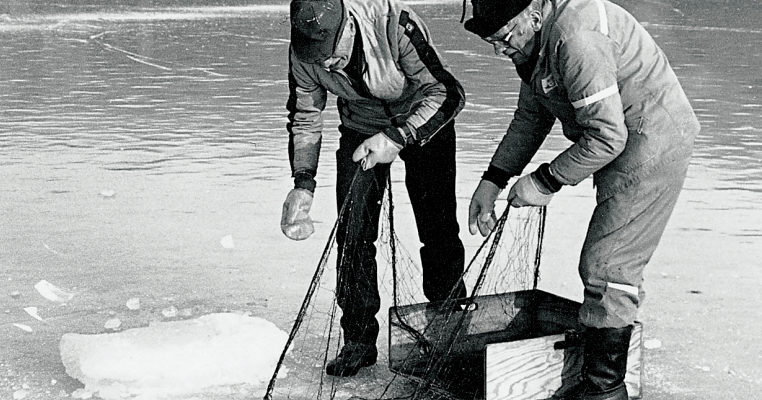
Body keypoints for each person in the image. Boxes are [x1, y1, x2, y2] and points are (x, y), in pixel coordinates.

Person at [462, 0, 699, 398]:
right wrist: (493, 179)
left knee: (606, 266)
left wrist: (544, 181)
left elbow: (608, 136)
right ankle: (597, 380)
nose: (499, 50)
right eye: (491, 43)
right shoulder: (534, 44)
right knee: (603, 264)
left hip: (652, 141)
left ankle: (604, 391)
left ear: (533, 18)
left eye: (503, 39)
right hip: (619, 141)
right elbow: (530, 117)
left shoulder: (576, 40)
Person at [280, 0, 467, 377]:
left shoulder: (395, 24)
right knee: (353, 235)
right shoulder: (303, 49)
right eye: (317, 58)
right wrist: (303, 182)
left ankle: (448, 329)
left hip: (421, 121)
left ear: (347, 26)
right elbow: (305, 115)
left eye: (330, 55)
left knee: (438, 230)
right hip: (360, 129)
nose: (326, 66)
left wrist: (398, 137)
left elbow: (448, 94)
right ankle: (359, 340)